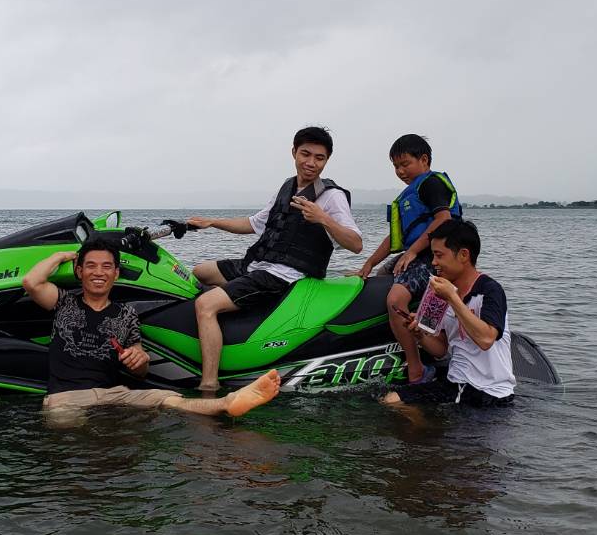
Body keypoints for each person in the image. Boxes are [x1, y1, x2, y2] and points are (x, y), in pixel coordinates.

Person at [22, 235, 281, 424]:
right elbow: (31, 282)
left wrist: (139, 360)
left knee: (168, 398)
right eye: (90, 266)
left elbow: (141, 366)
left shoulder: (126, 314)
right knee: (72, 436)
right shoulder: (64, 301)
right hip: (67, 399)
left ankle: (227, 402)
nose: (98, 272)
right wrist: (62, 255)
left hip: (115, 396)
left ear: (116, 273)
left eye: (106, 266)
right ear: (79, 271)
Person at [186, 126, 363, 392]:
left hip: (284, 276)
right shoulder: (287, 187)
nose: (311, 163)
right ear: (294, 152)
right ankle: (228, 326)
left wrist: (323, 219)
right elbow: (253, 223)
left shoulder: (331, 196)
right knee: (199, 271)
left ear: (327, 160)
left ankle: (209, 384)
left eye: (319, 157)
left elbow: (356, 244)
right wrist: (212, 222)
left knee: (205, 305)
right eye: (306, 154)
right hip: (258, 264)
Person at [356, 133, 463, 382]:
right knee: (371, 287)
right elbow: (393, 240)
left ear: (424, 160)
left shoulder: (431, 184)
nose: (400, 171)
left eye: (405, 164)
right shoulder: (407, 196)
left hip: (434, 257)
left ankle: (416, 367)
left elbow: (443, 219)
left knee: (395, 299)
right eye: (395, 166)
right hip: (414, 254)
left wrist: (413, 251)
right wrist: (368, 265)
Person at [381, 218, 514, 409]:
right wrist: (419, 334)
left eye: (439, 255)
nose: (434, 262)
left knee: (398, 404)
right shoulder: (437, 293)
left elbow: (486, 339)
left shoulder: (490, 290)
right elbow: (440, 349)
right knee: (392, 400)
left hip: (490, 392)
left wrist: (452, 297)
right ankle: (429, 435)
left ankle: (428, 435)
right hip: (455, 383)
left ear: (463, 255)